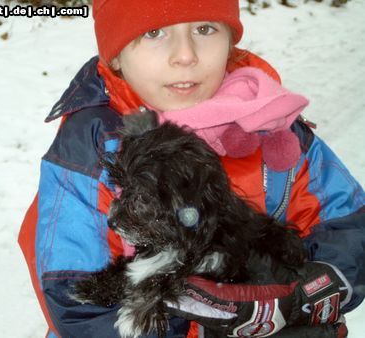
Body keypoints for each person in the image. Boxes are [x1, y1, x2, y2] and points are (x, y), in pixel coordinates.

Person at [18, 1, 364, 337]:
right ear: (117, 56)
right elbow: (76, 301)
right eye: (153, 32)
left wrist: (306, 295)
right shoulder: (89, 151)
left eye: (204, 28)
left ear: (229, 42)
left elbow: (350, 225)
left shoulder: (273, 126)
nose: (185, 55)